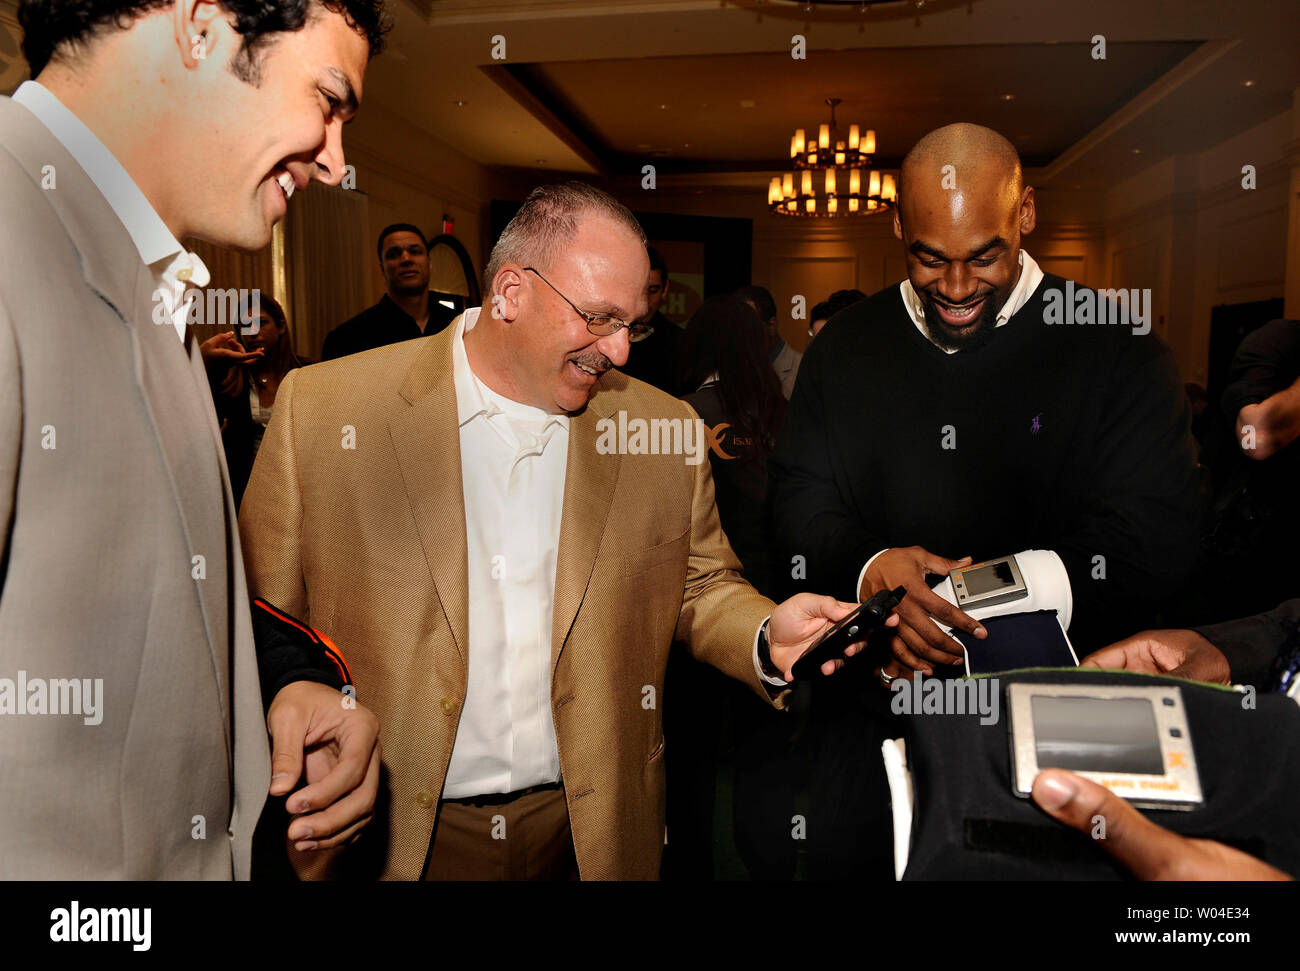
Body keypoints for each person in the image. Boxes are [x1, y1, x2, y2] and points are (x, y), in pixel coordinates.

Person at [238, 181, 882, 880]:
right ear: (511, 293)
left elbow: (699, 584)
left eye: (632, 323)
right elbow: (256, 620)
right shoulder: (325, 412)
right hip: (394, 836)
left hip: (588, 834)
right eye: (600, 318)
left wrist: (762, 632)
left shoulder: (661, 429)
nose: (621, 351)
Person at [0, 0, 387, 879]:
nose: (336, 163)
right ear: (202, 26)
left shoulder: (156, 281)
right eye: (328, 100)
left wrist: (281, 686)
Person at [765, 122, 1200, 877]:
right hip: (872, 727)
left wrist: (965, 605)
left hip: (1071, 732)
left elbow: (1158, 539)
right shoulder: (844, 348)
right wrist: (872, 571)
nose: (958, 288)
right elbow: (795, 504)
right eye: (930, 258)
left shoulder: (1118, 346)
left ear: (1025, 213)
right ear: (897, 225)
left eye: (984, 256)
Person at [202, 293, 307, 507]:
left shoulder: (307, 372)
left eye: (261, 323)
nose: (253, 332)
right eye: (245, 326)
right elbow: (205, 428)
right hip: (246, 492)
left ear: (281, 326)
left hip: (299, 488)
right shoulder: (230, 379)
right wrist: (210, 368)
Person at [321, 222, 459, 360]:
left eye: (415, 251)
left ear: (429, 262)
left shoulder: (457, 325)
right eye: (393, 254)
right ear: (382, 269)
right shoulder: (346, 339)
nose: (406, 259)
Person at [619, 246, 681, 394]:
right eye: (640, 290)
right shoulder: (609, 335)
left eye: (653, 291)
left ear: (665, 289)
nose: (646, 300)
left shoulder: (680, 342)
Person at [735, 284, 802, 399]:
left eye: (748, 326)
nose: (740, 335)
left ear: (771, 325)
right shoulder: (736, 370)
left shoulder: (800, 369)